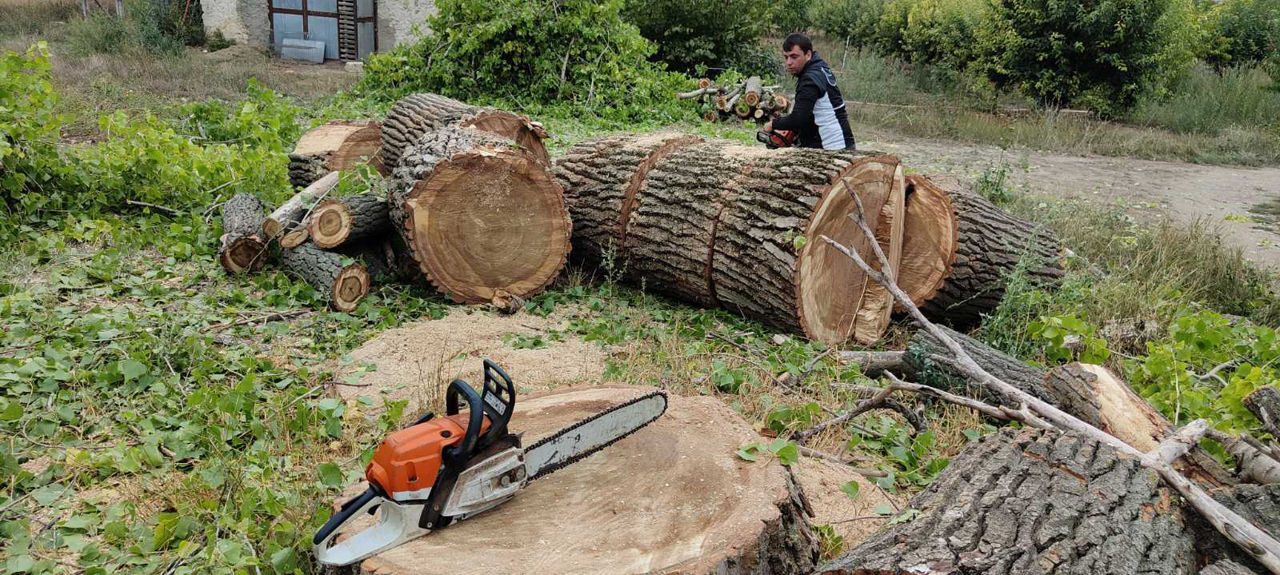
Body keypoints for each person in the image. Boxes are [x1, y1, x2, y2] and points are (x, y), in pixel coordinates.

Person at [764, 33, 856, 150]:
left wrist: (773, 124)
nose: (788, 62)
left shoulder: (810, 79)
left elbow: (798, 119)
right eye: (786, 57)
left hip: (833, 146)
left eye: (794, 57)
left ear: (808, 55)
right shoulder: (820, 68)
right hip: (843, 141)